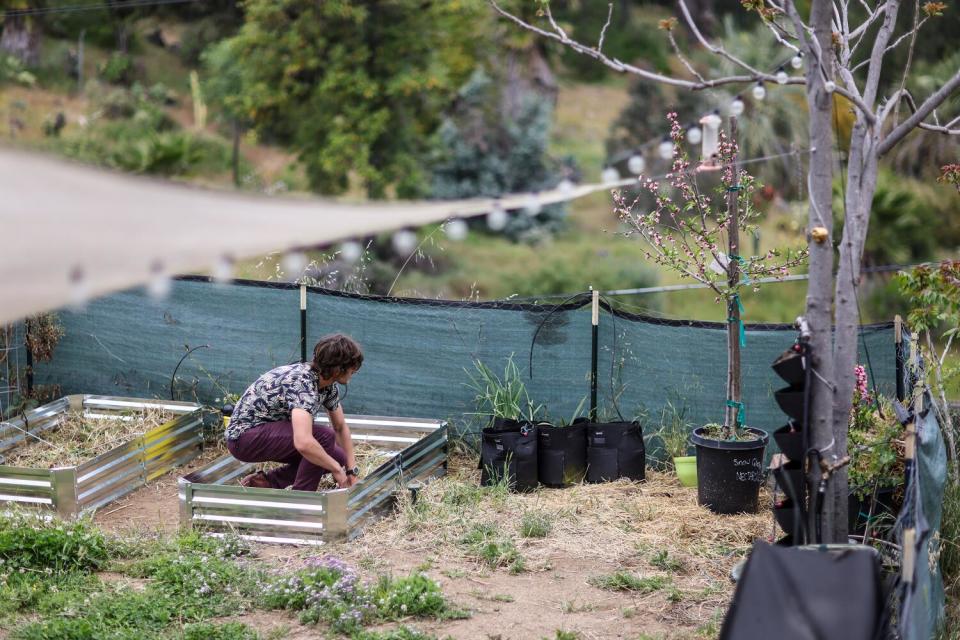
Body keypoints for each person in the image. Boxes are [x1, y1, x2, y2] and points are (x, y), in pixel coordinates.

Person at [225, 333, 363, 491]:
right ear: (338, 368)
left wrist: (351, 471)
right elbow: (303, 442)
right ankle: (301, 501)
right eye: (353, 366)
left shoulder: (327, 385)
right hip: (244, 439)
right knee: (323, 437)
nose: (355, 370)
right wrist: (337, 469)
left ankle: (268, 481)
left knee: (338, 456)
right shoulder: (302, 384)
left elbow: (339, 427)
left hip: (267, 433)